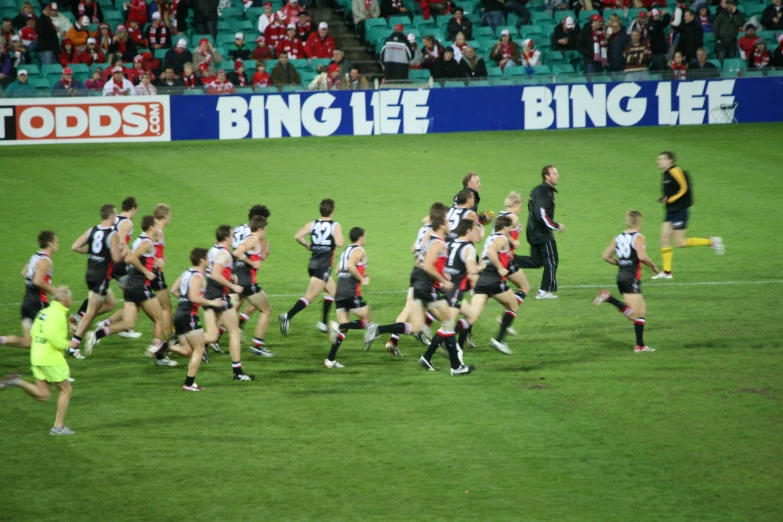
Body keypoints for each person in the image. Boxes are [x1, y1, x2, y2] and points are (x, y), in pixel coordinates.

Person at [365, 215, 476, 376]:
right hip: (428, 288)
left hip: (419, 287)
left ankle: (377, 330)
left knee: (416, 327)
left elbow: (419, 263)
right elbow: (428, 266)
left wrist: (440, 271)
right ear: (441, 226)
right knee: (449, 323)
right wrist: (443, 279)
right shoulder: (438, 243)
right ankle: (456, 367)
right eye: (447, 222)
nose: (450, 224)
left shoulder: (430, 241)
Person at [84, 216, 177, 366]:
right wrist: (146, 272)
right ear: (151, 227)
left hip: (131, 287)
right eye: (156, 227)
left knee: (128, 323)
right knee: (158, 318)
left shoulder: (138, 240)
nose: (159, 229)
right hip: (141, 286)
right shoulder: (147, 242)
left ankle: (96, 334)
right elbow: (131, 259)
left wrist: (155, 264)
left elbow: (133, 259)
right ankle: (159, 354)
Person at [0, 286, 76, 435]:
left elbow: (35, 331)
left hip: (36, 355)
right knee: (66, 390)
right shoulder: (59, 315)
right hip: (50, 358)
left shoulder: (43, 312)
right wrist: (69, 344)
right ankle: (58, 427)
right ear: (66, 301)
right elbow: (52, 336)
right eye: (70, 299)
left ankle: (17, 381)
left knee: (44, 395)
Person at [383, 202, 449, 355]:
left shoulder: (424, 229)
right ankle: (421, 335)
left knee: (413, 307)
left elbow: (414, 249)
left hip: (417, 270)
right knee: (420, 307)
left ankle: (398, 339)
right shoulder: (435, 233)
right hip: (425, 274)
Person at [593, 210, 659, 353]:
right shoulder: (639, 237)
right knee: (636, 314)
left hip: (621, 276)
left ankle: (640, 345)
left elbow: (605, 256)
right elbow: (641, 256)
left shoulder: (618, 237)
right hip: (632, 277)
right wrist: (653, 265)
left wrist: (621, 263)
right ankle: (609, 299)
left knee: (641, 311)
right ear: (639, 223)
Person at [652, 151, 724, 279]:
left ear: (670, 161)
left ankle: (712, 242)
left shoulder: (675, 170)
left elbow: (684, 188)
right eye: (659, 159)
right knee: (664, 239)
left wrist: (672, 199)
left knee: (680, 243)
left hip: (680, 210)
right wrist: (666, 198)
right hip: (670, 211)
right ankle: (667, 272)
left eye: (662, 159)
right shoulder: (666, 174)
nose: (659, 161)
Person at [68, 205, 126, 359]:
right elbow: (116, 258)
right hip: (101, 276)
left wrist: (94, 251)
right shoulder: (112, 234)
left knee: (111, 303)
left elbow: (75, 246)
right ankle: (73, 346)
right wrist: (123, 253)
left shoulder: (92, 230)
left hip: (91, 273)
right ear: (112, 216)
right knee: (91, 312)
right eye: (115, 214)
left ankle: (79, 320)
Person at [280, 199, 344, 336]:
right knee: (310, 296)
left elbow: (297, 236)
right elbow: (339, 243)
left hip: (313, 264)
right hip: (323, 266)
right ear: (332, 210)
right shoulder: (335, 225)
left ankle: (323, 323)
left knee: (333, 291)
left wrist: (308, 245)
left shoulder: (312, 224)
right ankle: (288, 316)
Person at [203, 225, 255, 381]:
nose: (233, 238)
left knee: (212, 335)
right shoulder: (225, 254)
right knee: (235, 332)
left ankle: (178, 344)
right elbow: (215, 274)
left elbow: (210, 269)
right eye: (232, 235)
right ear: (226, 237)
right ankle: (237, 372)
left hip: (209, 291)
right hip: (218, 293)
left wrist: (230, 275)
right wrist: (233, 286)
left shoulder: (212, 249)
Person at [467, 215, 521, 355]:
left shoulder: (490, 237)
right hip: (494, 278)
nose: (511, 230)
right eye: (510, 227)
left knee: (473, 314)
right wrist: (500, 268)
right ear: (505, 227)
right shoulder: (501, 238)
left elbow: (485, 253)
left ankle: (448, 339)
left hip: (482, 277)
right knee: (513, 305)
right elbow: (491, 252)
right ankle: (499, 341)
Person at [172, 249, 224, 390]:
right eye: (207, 258)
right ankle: (189, 384)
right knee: (199, 348)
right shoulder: (198, 277)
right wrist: (212, 303)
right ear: (202, 260)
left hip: (180, 314)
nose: (209, 260)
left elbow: (174, 290)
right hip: (189, 316)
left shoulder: (186, 273)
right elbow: (194, 297)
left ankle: (164, 347)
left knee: (189, 350)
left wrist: (184, 304)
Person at [0, 231, 58, 349]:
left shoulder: (35, 256)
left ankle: (2, 339)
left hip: (27, 301)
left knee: (28, 342)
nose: (58, 245)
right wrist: (52, 290)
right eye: (56, 242)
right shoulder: (45, 261)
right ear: (50, 243)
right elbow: (37, 281)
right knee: (54, 329)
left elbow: (24, 273)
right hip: (38, 302)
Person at [324, 227, 372, 368]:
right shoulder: (359, 251)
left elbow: (338, 269)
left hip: (340, 291)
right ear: (361, 237)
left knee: (343, 331)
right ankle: (337, 326)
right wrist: (362, 279)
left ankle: (330, 359)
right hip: (352, 292)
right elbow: (351, 266)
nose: (366, 238)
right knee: (368, 321)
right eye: (365, 236)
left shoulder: (345, 251)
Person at [515, 165, 564, 299]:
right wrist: (555, 225)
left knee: (537, 262)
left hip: (533, 231)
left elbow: (531, 208)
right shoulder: (544, 193)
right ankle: (544, 291)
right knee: (552, 260)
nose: (557, 175)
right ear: (546, 176)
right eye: (554, 173)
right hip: (542, 233)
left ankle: (509, 261)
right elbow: (541, 214)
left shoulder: (537, 190)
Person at [233, 216, 275, 358]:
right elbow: (237, 253)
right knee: (267, 310)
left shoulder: (250, 240)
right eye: (265, 230)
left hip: (239, 281)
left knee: (227, 313)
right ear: (260, 229)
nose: (265, 233)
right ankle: (258, 345)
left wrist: (259, 258)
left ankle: (207, 344)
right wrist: (252, 263)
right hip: (248, 283)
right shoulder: (253, 239)